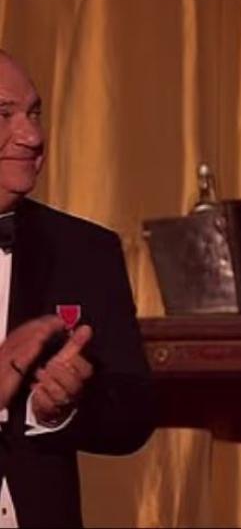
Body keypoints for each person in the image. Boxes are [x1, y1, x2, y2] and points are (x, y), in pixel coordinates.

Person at [0, 50, 155, 527]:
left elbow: (132, 414)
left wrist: (57, 410)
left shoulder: (84, 250)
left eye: (35, 114)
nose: (33, 136)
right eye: (5, 115)